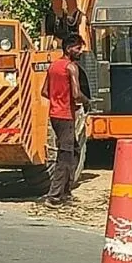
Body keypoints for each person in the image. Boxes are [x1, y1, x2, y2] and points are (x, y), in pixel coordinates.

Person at [41, 34, 87, 207]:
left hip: (55, 115)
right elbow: (76, 94)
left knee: (73, 150)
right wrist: (87, 102)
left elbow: (44, 91)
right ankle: (54, 196)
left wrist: (57, 98)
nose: (80, 51)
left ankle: (66, 192)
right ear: (69, 49)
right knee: (65, 155)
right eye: (78, 48)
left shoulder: (53, 66)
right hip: (66, 116)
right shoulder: (71, 67)